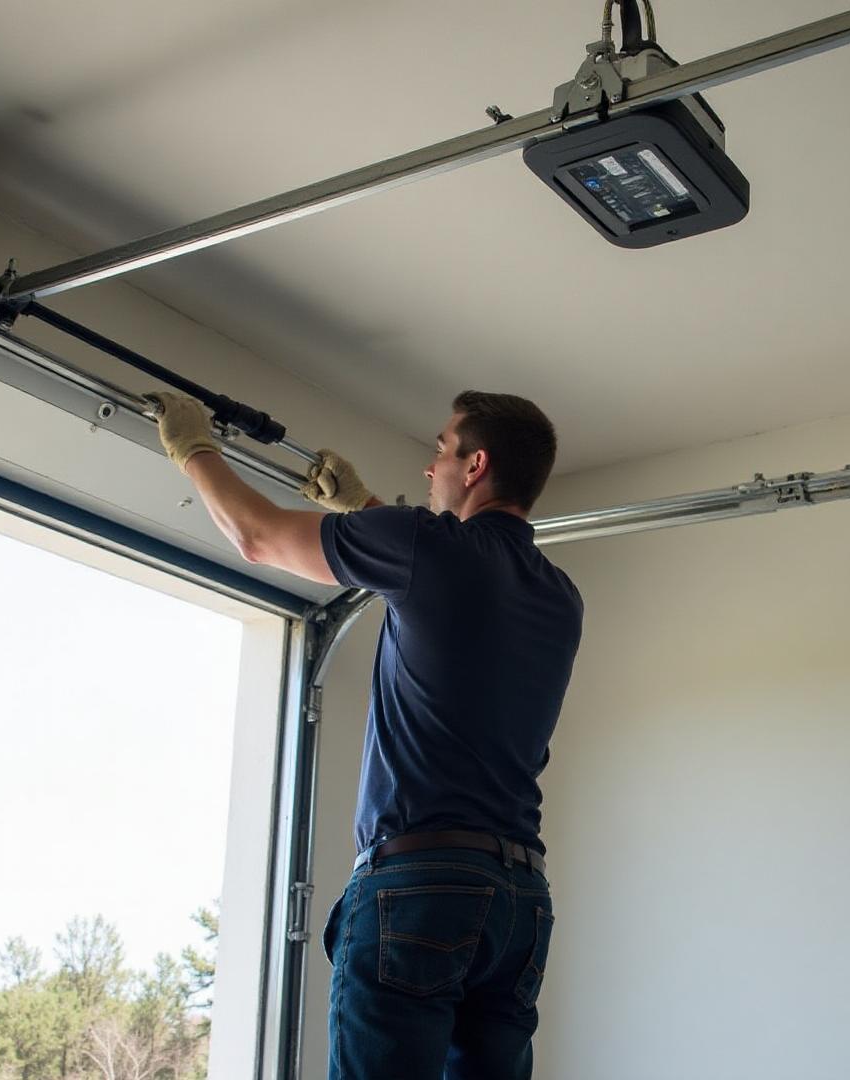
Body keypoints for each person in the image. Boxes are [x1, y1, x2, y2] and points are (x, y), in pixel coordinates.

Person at [149, 388, 583, 1079]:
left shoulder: (425, 548)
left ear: (475, 466)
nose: (428, 470)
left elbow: (255, 535)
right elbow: (447, 571)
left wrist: (194, 448)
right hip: (517, 904)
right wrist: (362, 510)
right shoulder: (559, 595)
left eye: (439, 451)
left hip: (421, 886)